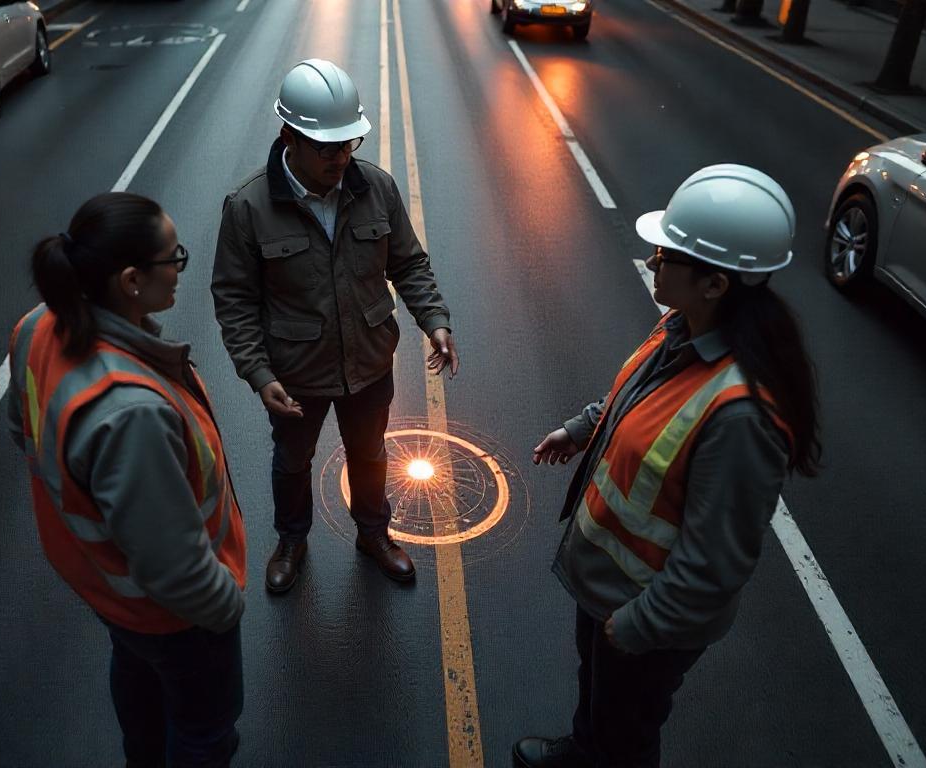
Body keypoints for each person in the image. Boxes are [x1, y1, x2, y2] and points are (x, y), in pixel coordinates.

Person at [514, 165, 822, 768]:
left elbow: (715, 568)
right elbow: (636, 399)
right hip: (608, 591)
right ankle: (583, 752)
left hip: (642, 616)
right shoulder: (682, 327)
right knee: (600, 704)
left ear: (714, 284)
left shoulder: (742, 417)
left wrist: (634, 627)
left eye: (667, 254)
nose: (653, 263)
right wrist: (581, 431)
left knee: (627, 734)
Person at [7, 192, 246, 768]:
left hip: (111, 594)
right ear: (132, 280)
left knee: (139, 683)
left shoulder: (37, 326)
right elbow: (174, 570)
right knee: (204, 731)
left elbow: (25, 432)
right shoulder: (130, 411)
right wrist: (225, 608)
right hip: (174, 615)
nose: (181, 270)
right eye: (175, 258)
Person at [211, 58, 458, 593]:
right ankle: (292, 542)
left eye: (349, 145)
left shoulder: (378, 189)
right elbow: (234, 299)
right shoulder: (248, 207)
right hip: (294, 373)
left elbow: (409, 264)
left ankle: (373, 535)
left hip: (368, 362)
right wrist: (257, 373)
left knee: (370, 454)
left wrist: (434, 320)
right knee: (293, 460)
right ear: (288, 138)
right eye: (327, 148)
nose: (340, 158)